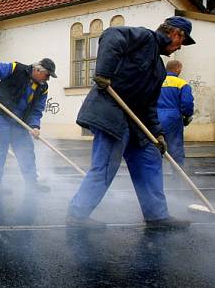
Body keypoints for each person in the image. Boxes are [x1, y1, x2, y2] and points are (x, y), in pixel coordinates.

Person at [66, 16, 196, 230]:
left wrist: (158, 134)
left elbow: (149, 105)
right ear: (175, 34)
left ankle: (157, 216)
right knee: (106, 166)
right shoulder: (144, 37)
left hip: (135, 121)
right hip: (111, 113)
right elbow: (111, 35)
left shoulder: (159, 69)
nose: (179, 47)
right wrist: (103, 72)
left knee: (150, 160)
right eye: (181, 41)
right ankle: (77, 215)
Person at [0, 58, 57, 194]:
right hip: (0, 115)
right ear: (38, 70)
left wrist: (35, 126)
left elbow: (37, 110)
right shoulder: (16, 69)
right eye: (47, 75)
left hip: (20, 122)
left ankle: (32, 183)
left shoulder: (43, 88)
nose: (47, 79)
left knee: (26, 151)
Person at [157, 60, 194, 167]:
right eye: (180, 69)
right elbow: (187, 103)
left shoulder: (156, 81)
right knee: (175, 148)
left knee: (154, 148)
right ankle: (177, 177)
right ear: (177, 69)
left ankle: (154, 178)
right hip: (173, 119)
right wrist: (187, 116)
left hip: (154, 118)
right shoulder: (181, 83)